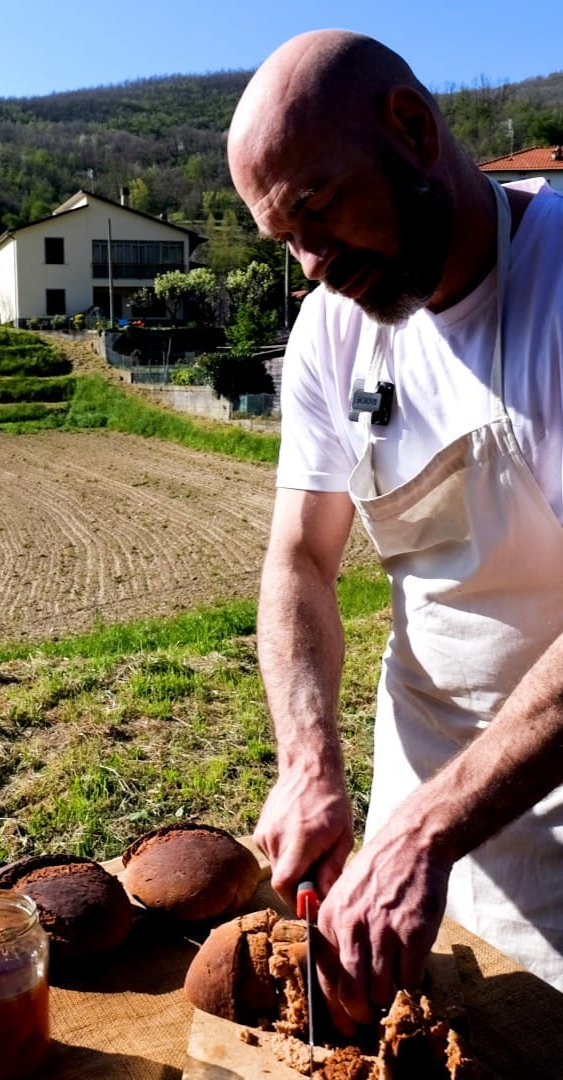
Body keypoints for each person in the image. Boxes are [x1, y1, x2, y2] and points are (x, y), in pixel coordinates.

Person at [227, 29, 563, 1034]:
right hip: (414, 815)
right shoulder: (337, 329)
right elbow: (300, 558)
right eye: (283, 239)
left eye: (318, 212)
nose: (312, 266)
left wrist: (429, 828)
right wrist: (308, 763)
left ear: (412, 128)